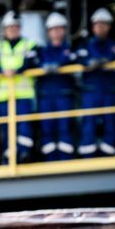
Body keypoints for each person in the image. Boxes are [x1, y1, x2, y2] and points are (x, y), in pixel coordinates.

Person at [75, 7, 115, 157]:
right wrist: (90, 63)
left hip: (109, 91)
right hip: (90, 91)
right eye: (98, 24)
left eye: (104, 24)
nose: (101, 27)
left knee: (110, 122)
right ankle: (88, 155)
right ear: (93, 27)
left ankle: (108, 152)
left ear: (109, 26)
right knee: (89, 123)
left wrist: (108, 61)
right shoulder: (86, 45)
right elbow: (79, 58)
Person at [0, 11, 39, 163]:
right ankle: (10, 157)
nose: (12, 30)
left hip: (23, 94)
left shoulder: (28, 44)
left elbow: (30, 62)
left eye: (15, 27)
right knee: (7, 130)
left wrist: (16, 71)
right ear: (4, 29)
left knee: (24, 127)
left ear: (20, 28)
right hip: (3, 96)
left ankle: (25, 154)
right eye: (9, 27)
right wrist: (2, 71)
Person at [36, 12, 77, 160]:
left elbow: (73, 60)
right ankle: (50, 161)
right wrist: (43, 67)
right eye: (53, 29)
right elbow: (35, 63)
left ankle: (66, 160)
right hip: (46, 95)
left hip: (64, 94)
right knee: (47, 129)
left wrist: (60, 64)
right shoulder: (41, 51)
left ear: (65, 30)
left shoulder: (70, 50)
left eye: (60, 29)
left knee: (64, 127)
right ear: (48, 32)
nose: (57, 32)